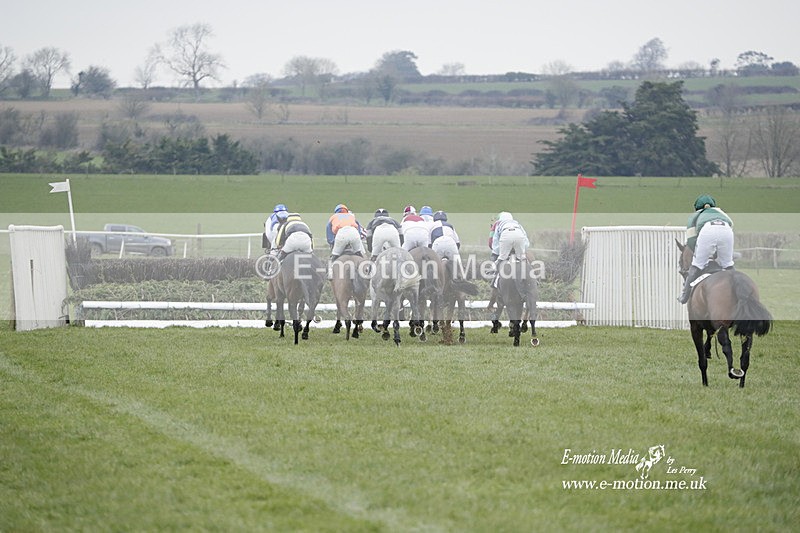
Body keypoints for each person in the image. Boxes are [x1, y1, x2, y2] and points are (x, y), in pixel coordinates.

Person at [678, 194, 735, 304]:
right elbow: (730, 225)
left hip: (708, 230)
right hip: (727, 229)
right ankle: (737, 287)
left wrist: (701, 253)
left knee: (697, 264)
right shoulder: (721, 212)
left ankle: (685, 295)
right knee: (728, 264)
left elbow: (691, 241)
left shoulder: (695, 216)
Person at [326, 204, 366, 278]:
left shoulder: (333, 217)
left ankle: (330, 273)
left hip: (341, 234)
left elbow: (329, 234)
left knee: (333, 257)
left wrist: (333, 242)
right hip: (354, 233)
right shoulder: (351, 216)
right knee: (359, 254)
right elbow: (359, 229)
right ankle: (366, 269)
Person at [430, 210, 462, 279]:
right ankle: (461, 278)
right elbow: (458, 243)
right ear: (445, 219)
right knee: (458, 266)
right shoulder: (450, 225)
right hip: (450, 242)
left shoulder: (431, 226)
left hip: (437, 243)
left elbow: (429, 244)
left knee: (433, 268)